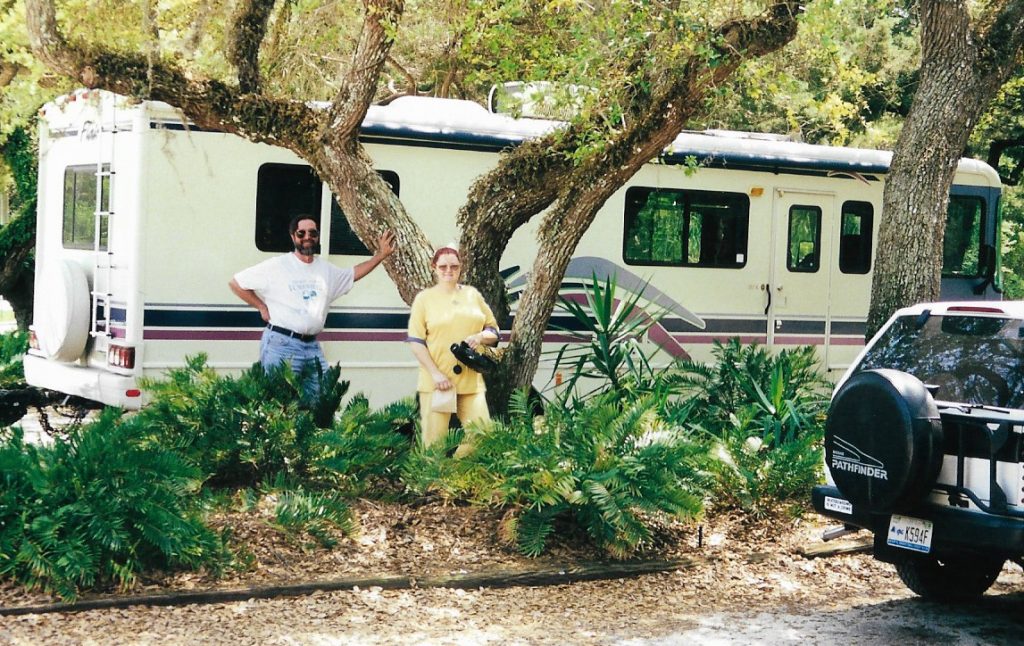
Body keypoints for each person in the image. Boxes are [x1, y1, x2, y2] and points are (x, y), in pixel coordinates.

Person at [229, 214, 396, 400]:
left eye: (312, 233)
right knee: (277, 403)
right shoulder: (277, 265)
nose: (307, 237)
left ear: (317, 237)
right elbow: (237, 283)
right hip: (282, 344)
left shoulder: (326, 270)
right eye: (301, 233)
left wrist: (381, 255)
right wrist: (261, 306)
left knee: (321, 402)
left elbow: (353, 274)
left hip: (312, 346)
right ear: (293, 236)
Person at [406, 246, 499, 456]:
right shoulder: (424, 299)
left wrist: (480, 337)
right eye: (443, 266)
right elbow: (416, 342)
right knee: (434, 446)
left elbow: (493, 330)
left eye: (454, 266)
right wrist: (436, 374)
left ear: (461, 268)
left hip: (470, 381)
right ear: (434, 268)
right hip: (438, 383)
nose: (449, 270)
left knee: (483, 435)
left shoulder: (473, 295)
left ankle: (456, 476)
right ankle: (431, 486)